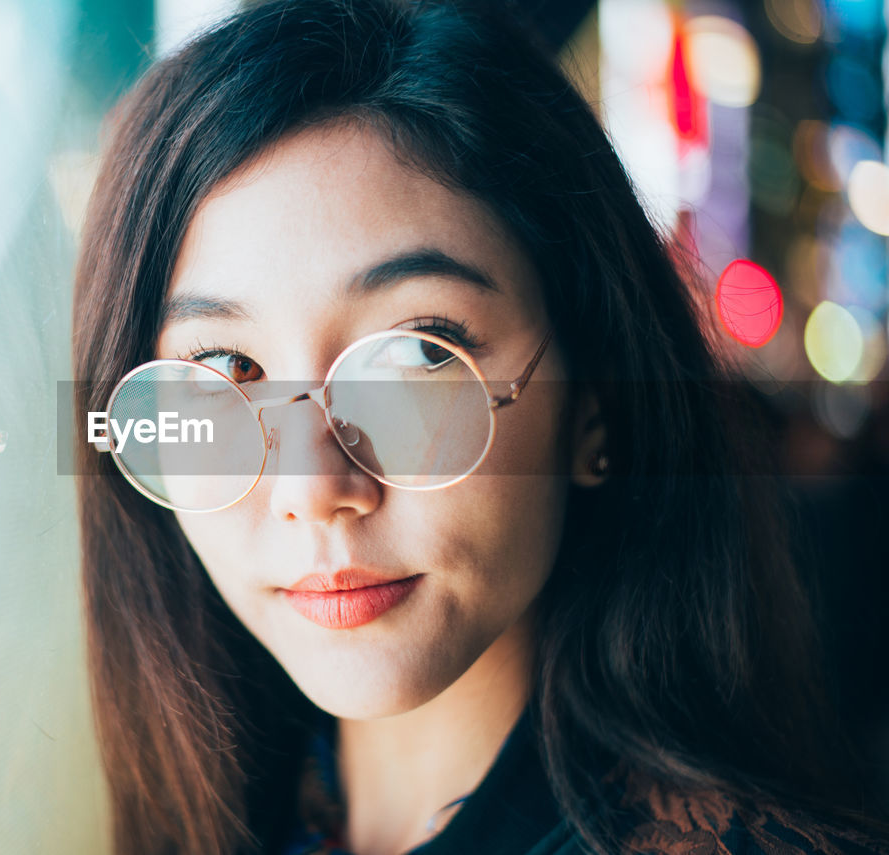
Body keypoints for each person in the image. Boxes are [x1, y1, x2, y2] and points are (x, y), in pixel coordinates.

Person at [70, 1, 889, 853]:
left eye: (417, 359)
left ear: (594, 404)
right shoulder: (218, 819)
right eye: (226, 372)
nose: (316, 492)